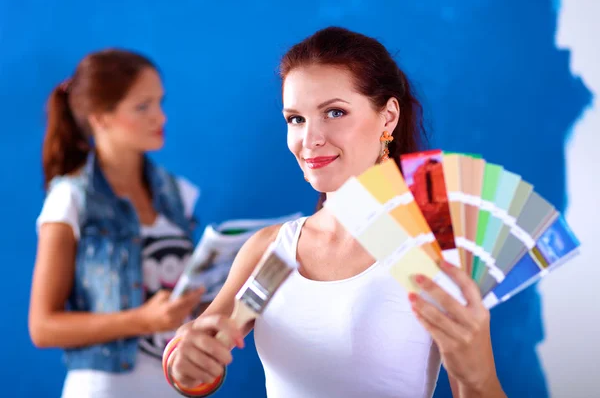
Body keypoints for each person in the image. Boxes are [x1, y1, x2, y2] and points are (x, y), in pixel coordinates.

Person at [162, 27, 507, 398]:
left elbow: (477, 389)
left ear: (388, 117)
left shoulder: (435, 251)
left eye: (334, 112)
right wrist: (184, 364)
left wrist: (479, 377)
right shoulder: (272, 251)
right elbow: (199, 362)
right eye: (296, 119)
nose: (310, 139)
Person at [28, 48, 206, 398]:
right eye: (142, 107)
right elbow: (43, 327)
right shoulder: (70, 199)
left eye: (159, 102)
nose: (160, 117)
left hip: (176, 387)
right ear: (100, 118)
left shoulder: (177, 194)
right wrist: (142, 320)